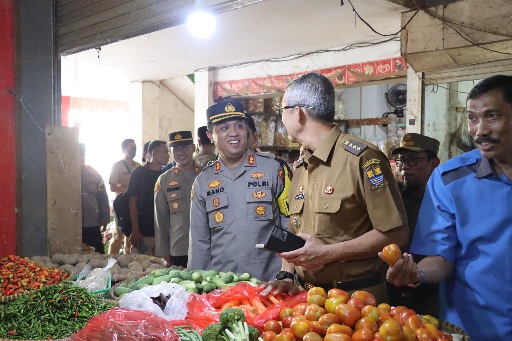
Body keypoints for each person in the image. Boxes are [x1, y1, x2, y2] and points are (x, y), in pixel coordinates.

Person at [382, 75, 512, 340]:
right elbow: (440, 258)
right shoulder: (449, 179)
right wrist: (416, 272)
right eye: (473, 118)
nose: (480, 130)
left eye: (493, 116)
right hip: (475, 329)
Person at [261, 72, 408, 303]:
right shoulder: (301, 166)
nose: (282, 118)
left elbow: (395, 233)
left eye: (283, 110)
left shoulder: (362, 159)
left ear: (298, 113)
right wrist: (286, 276)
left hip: (358, 300)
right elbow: (296, 234)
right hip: (308, 299)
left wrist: (327, 254)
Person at [189, 100, 291, 281]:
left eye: (239, 126)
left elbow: (290, 225)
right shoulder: (203, 182)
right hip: (223, 287)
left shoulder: (274, 169)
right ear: (210, 135)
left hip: (269, 283)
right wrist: (198, 288)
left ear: (247, 130)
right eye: (224, 128)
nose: (234, 133)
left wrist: (287, 275)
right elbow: (199, 243)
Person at [387, 133, 441, 316]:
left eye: (413, 160)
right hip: (393, 290)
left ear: (434, 163)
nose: (404, 168)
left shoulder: (445, 201)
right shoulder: (395, 199)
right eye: (401, 160)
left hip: (433, 291)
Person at [155, 131, 201, 267]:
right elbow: (161, 219)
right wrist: (163, 251)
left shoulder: (206, 175)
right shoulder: (164, 180)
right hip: (178, 247)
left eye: (185, 147)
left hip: (204, 246)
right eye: (176, 149)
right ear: (170, 152)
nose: (181, 152)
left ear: (193, 148)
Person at [127, 140, 170, 255]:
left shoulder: (166, 175)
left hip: (161, 233)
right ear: (155, 154)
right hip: (143, 233)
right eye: (165, 152)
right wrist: (135, 229)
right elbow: (132, 202)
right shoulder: (138, 174)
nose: (168, 155)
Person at [108, 139, 141, 254]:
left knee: (131, 236)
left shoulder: (138, 166)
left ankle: (128, 262)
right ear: (124, 149)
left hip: (134, 205)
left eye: (134, 147)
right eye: (130, 147)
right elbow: (112, 187)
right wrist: (128, 191)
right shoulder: (117, 166)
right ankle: (110, 261)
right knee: (118, 236)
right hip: (121, 205)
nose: (133, 150)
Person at [80, 143, 110, 254]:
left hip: (91, 223)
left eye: (82, 154)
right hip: (71, 225)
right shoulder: (63, 172)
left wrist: (105, 217)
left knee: (97, 254)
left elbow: (102, 196)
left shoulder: (93, 173)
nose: (81, 158)